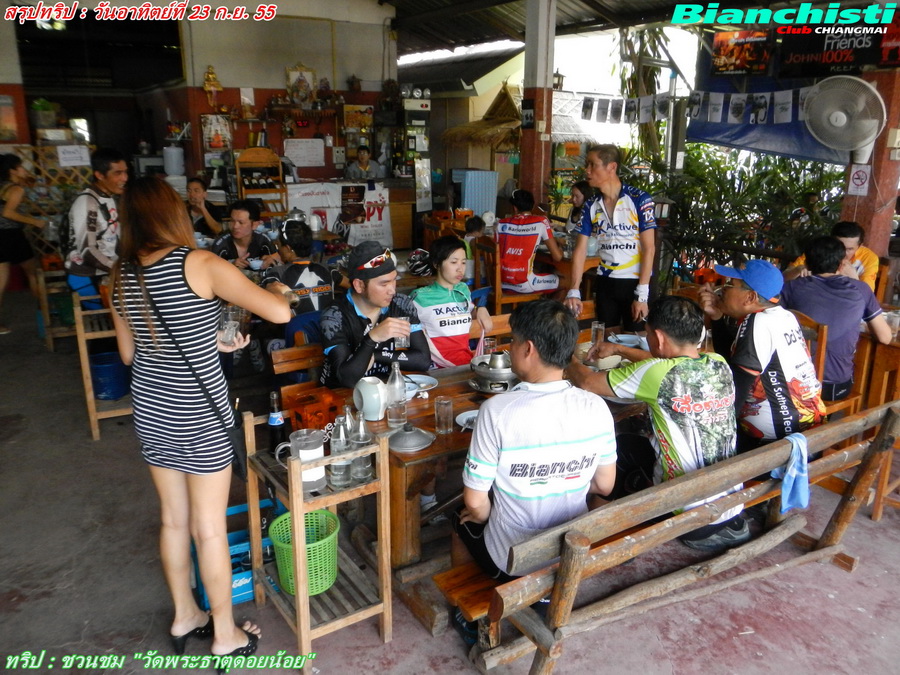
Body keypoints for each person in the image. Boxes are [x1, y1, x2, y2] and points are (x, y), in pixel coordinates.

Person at [108, 176, 292, 663]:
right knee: (208, 528)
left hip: (151, 410)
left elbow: (131, 354)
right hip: (197, 413)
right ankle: (225, 634)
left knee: (174, 520)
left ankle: (185, 615)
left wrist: (209, 342)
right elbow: (277, 312)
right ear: (172, 212)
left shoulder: (119, 274)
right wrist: (276, 286)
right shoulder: (199, 263)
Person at [451, 299, 616, 597]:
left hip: (513, 559)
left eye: (512, 342)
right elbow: (604, 485)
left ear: (528, 349)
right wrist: (565, 479)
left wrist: (481, 515)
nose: (510, 348)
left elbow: (475, 501)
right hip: (570, 553)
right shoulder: (596, 406)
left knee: (459, 519)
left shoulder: (497, 410)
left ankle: (466, 607)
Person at [568, 295, 748, 552]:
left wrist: (565, 356)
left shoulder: (657, 373)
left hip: (687, 515)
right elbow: (665, 363)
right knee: (634, 444)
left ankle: (596, 534)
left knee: (618, 452)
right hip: (731, 505)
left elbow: (587, 382)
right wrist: (619, 349)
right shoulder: (719, 363)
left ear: (659, 338)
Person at [698, 259, 825, 452]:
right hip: (804, 430)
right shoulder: (784, 315)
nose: (722, 290)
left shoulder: (758, 323)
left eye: (730, 285)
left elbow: (735, 392)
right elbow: (734, 362)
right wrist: (717, 317)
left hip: (775, 443)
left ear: (750, 297)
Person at [781, 236, 891, 400]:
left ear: (807, 264)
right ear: (841, 265)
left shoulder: (791, 287)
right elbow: (885, 337)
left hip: (793, 383)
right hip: (834, 387)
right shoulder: (861, 289)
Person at [563, 144, 657, 330]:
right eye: (587, 164)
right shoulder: (591, 204)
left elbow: (649, 248)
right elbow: (580, 249)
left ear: (612, 167)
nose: (587, 170)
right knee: (604, 338)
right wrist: (574, 290)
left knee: (636, 339)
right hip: (605, 282)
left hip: (636, 282)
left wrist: (642, 294)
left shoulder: (639, 199)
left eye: (593, 164)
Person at [319, 240, 431, 388]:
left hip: (386, 389)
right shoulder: (335, 316)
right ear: (359, 285)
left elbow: (423, 360)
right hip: (341, 395)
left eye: (394, 280)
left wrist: (375, 354)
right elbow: (347, 379)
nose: (392, 290)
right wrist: (372, 338)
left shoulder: (400, 305)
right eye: (384, 284)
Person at [410, 235, 492, 368]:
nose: (460, 269)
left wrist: (480, 309)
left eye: (463, 262)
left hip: (466, 364)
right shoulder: (419, 297)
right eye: (454, 262)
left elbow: (470, 312)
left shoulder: (463, 290)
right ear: (437, 264)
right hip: (436, 369)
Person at [260, 218, 343, 345]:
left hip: (298, 346)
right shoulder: (329, 270)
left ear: (288, 248)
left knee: (263, 337)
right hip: (332, 340)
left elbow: (268, 289)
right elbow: (353, 285)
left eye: (279, 246)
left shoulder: (277, 273)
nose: (278, 250)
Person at [65, 147, 128, 305]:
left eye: (125, 172)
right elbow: (88, 251)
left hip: (104, 273)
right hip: (87, 278)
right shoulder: (88, 203)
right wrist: (120, 270)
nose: (125, 178)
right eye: (118, 173)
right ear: (99, 175)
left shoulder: (108, 197)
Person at [0, 154, 47, 334]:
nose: (23, 169)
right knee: (33, 272)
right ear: (12, 170)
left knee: (2, 281)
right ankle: (45, 312)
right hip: (10, 235)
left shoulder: (4, 186)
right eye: (20, 166)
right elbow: (8, 213)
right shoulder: (16, 189)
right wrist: (35, 222)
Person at [496, 189, 562, 294]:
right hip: (524, 284)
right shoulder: (541, 222)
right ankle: (542, 305)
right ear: (532, 206)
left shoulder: (501, 224)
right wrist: (560, 245)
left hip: (500, 282)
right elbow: (557, 257)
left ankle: (537, 303)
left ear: (515, 208)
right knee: (566, 281)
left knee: (540, 270)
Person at [784, 221, 879, 292]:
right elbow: (783, 278)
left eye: (849, 249)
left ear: (860, 246)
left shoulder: (869, 258)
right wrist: (798, 269)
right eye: (839, 247)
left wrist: (854, 279)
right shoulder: (818, 250)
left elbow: (868, 295)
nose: (843, 253)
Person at [210, 200, 279, 270]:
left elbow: (277, 267)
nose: (235, 226)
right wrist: (231, 266)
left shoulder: (263, 241)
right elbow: (211, 271)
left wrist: (273, 261)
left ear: (255, 225)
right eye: (232, 221)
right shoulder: (221, 244)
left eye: (241, 222)